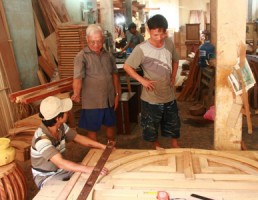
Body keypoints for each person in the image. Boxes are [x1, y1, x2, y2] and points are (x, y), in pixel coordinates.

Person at [123, 14, 180, 150]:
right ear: (149, 31)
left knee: (173, 121)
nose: (159, 38)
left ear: (165, 32)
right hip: (151, 96)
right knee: (151, 124)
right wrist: (142, 80)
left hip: (168, 94)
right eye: (155, 35)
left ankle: (174, 144)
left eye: (162, 34)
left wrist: (173, 76)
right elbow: (127, 66)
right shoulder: (141, 49)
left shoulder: (169, 43)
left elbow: (176, 60)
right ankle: (156, 145)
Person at [31, 96, 109, 189]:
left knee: (94, 179)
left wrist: (102, 146)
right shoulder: (41, 139)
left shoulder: (60, 126)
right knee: (76, 189)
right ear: (57, 118)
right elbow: (60, 162)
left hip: (61, 170)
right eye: (65, 112)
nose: (67, 113)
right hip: (46, 177)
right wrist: (89, 169)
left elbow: (78, 137)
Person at [71, 24, 121, 141]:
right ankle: (94, 154)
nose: (96, 45)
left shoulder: (108, 55)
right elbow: (78, 77)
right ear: (87, 39)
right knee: (92, 131)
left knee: (110, 125)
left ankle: (111, 147)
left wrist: (117, 94)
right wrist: (76, 93)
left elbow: (115, 75)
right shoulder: (81, 56)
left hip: (108, 99)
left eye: (99, 41)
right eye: (92, 42)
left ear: (103, 39)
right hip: (92, 101)